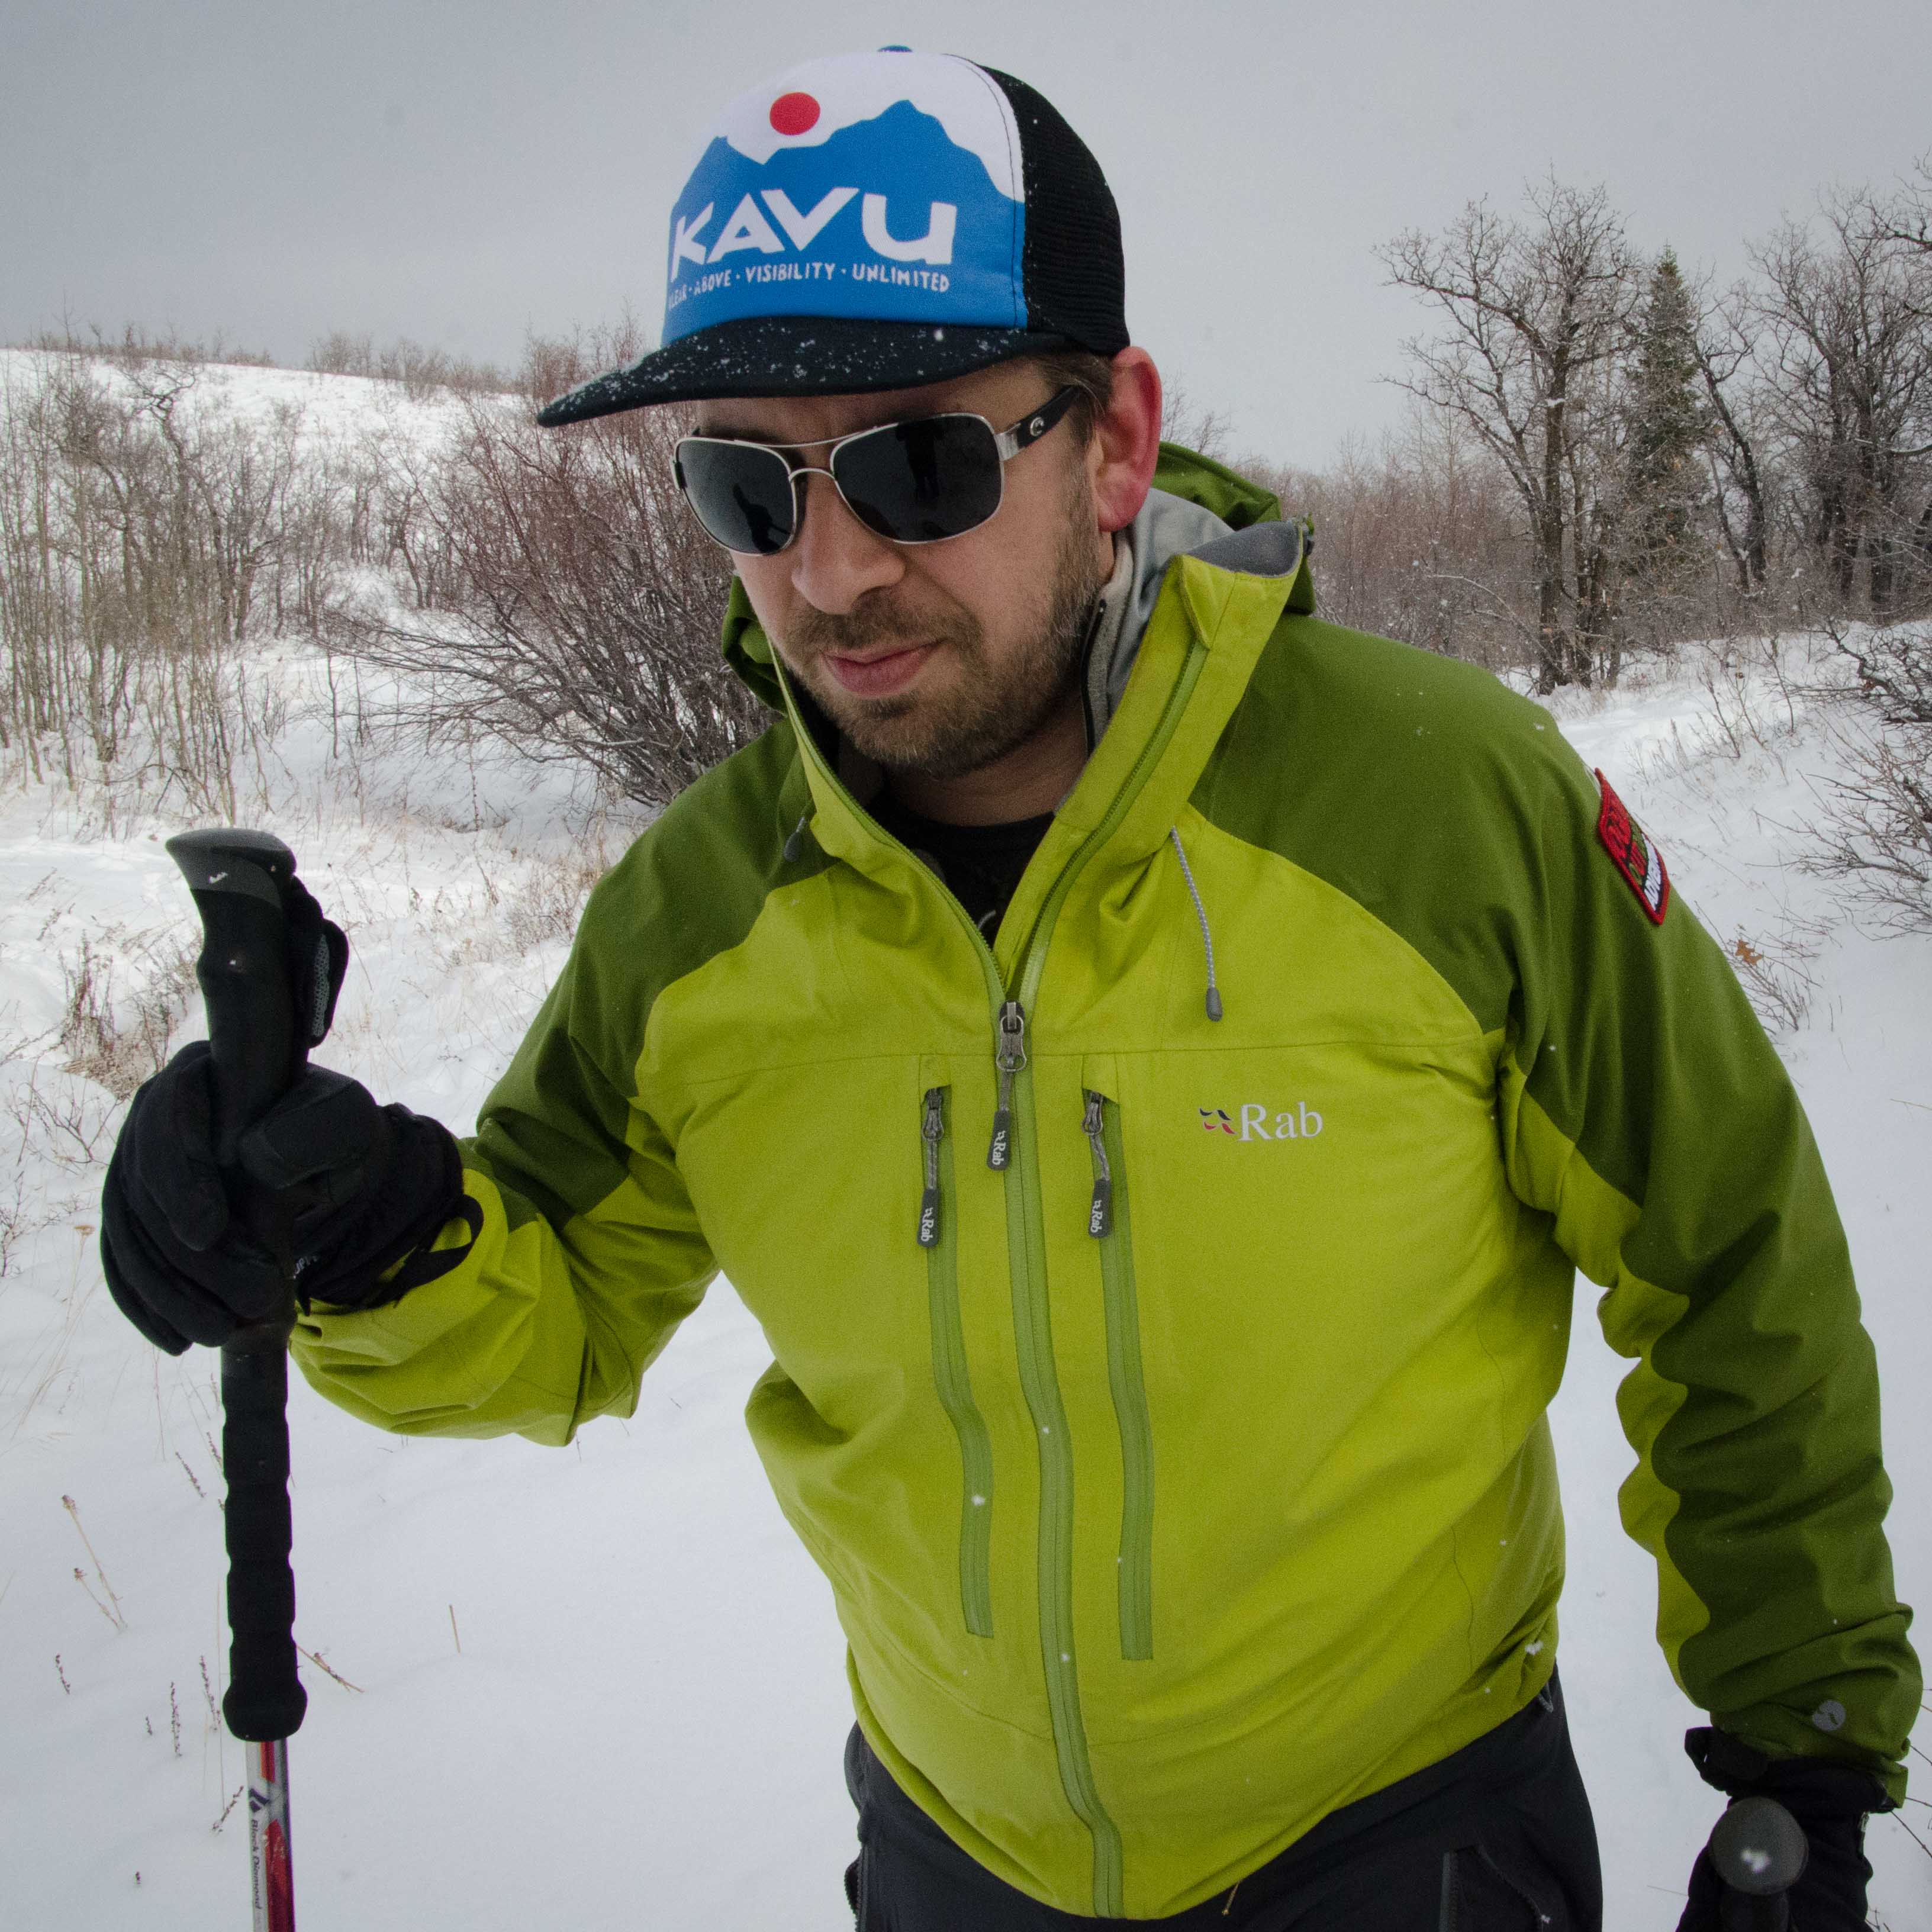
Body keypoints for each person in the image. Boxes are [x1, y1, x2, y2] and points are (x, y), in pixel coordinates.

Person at [99, 48, 1916, 1931]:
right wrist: (350, 1235)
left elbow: (1730, 1251)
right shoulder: (700, 913)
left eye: (920, 461)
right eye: (748, 483)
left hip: (1406, 1830)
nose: (830, 569)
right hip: (955, 1851)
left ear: (1116, 439)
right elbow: (548, 1307)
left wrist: (1807, 1748)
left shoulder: (1445, 806)